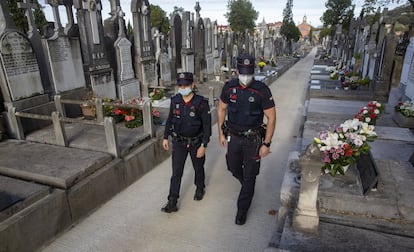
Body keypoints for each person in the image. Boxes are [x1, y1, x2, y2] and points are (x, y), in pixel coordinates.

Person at [217, 54, 276, 225]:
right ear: (236, 71)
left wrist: (267, 143)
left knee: (250, 176)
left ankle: (242, 210)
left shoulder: (261, 90)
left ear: (253, 71)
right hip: (233, 137)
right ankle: (247, 185)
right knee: (233, 167)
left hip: (254, 139)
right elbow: (221, 109)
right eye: (242, 73)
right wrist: (221, 133)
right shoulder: (229, 88)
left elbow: (271, 118)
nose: (245, 76)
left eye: (249, 73)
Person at [161, 72, 212, 213]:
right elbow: (170, 119)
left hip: (196, 142)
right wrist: (165, 137)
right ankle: (172, 200)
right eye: (180, 85)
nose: (183, 87)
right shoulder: (175, 100)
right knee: (176, 172)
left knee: (198, 168)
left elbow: (207, 127)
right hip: (179, 142)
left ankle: (200, 187)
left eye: (186, 85)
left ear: (192, 85)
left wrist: (204, 145)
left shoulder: (201, 103)